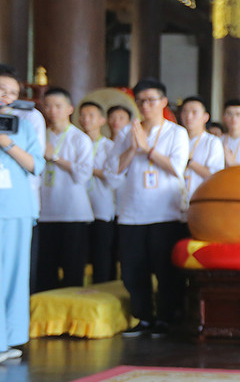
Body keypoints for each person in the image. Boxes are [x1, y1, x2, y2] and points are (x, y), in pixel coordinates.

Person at [106, 78, 189, 337]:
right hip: (131, 213)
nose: (145, 106)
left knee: (166, 270)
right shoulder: (126, 132)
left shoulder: (177, 133)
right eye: (140, 101)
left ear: (163, 102)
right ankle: (143, 318)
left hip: (165, 213)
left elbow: (177, 168)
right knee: (133, 270)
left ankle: (166, 317)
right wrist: (133, 148)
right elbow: (112, 172)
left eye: (151, 100)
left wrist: (148, 149)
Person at [0, 66, 45, 362]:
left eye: (13, 93)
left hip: (16, 208)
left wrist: (8, 143)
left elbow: (35, 165)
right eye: (2, 90)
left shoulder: (21, 125)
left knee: (13, 274)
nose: (7, 97)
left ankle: (10, 337)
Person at [37, 88, 95, 291]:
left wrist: (55, 158)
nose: (53, 110)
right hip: (44, 213)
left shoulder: (80, 139)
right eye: (48, 106)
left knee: (72, 270)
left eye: (58, 106)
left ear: (70, 109)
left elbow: (83, 175)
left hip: (73, 213)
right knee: (44, 271)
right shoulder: (39, 136)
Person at [77, 101, 117, 283]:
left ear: (102, 120)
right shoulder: (76, 142)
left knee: (102, 254)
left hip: (102, 206)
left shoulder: (110, 147)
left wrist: (86, 169)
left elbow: (113, 177)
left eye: (91, 115)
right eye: (83, 115)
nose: (86, 119)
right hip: (78, 205)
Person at [178, 96, 225, 218]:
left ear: (205, 117)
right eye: (185, 111)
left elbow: (214, 176)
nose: (188, 116)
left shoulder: (212, 142)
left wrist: (189, 162)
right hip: (173, 203)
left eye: (194, 112)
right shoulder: (176, 138)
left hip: (200, 202)